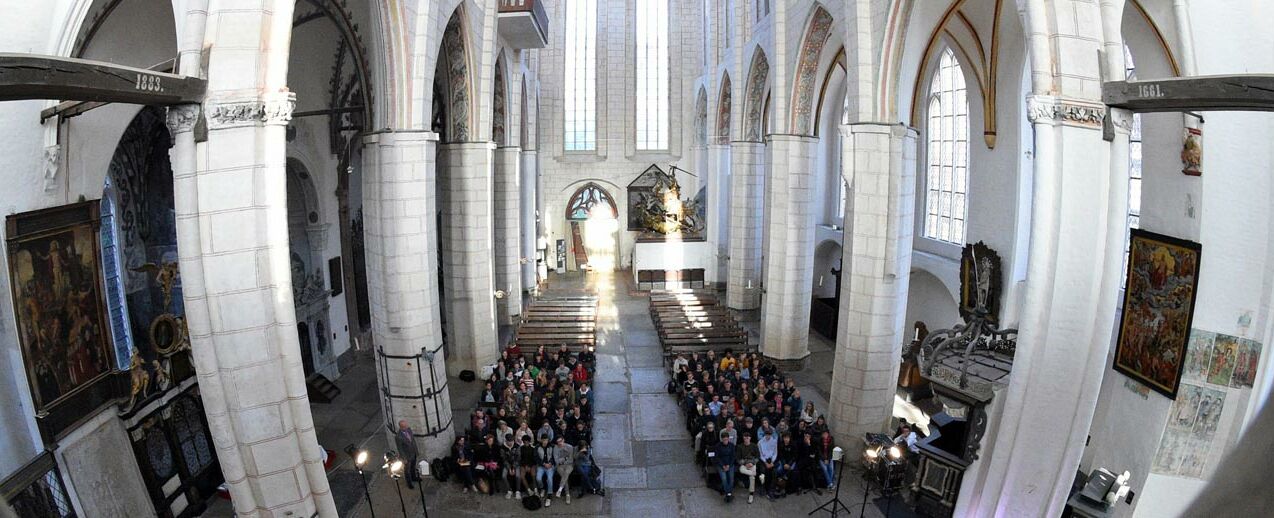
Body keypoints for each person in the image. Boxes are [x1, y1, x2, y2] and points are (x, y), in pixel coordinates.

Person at [395, 420, 422, 488]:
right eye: (405, 426)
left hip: (413, 452)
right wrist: (404, 458)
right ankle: (409, 483)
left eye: (406, 425)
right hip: (407, 456)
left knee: (413, 466)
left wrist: (416, 451)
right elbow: (400, 449)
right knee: (407, 470)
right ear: (401, 427)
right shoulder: (398, 436)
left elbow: (413, 441)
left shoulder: (409, 430)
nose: (407, 427)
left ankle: (414, 477)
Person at [736, 432, 760, 504]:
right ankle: (754, 473)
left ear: (750, 438)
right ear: (743, 438)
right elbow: (738, 459)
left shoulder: (754, 446)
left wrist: (752, 463)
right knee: (741, 469)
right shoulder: (740, 446)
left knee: (752, 477)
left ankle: (751, 494)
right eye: (745, 437)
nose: (746, 438)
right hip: (744, 464)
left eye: (748, 437)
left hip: (752, 463)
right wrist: (745, 463)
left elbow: (758, 457)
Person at [552, 436, 576, 504]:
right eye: (558, 442)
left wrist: (562, 460)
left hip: (569, 465)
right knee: (565, 475)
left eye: (560, 441)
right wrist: (565, 458)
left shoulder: (570, 447)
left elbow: (571, 460)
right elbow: (557, 461)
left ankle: (560, 489)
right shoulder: (555, 448)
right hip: (560, 466)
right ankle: (567, 494)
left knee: (566, 473)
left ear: (563, 440)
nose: (559, 443)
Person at [535, 435, 556, 507]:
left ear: (548, 440)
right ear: (541, 440)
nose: (545, 442)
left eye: (546, 440)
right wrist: (544, 464)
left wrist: (550, 463)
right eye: (543, 440)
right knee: (538, 478)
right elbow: (536, 457)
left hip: (550, 466)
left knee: (549, 479)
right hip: (541, 466)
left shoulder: (552, 446)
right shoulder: (537, 446)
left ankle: (549, 494)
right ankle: (542, 488)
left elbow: (554, 456)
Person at [715, 432, 737, 502]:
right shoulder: (718, 446)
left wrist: (729, 465)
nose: (725, 441)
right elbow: (717, 457)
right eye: (724, 440)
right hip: (721, 465)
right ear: (722, 439)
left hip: (729, 464)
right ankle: (728, 494)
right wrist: (723, 465)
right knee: (724, 479)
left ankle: (728, 493)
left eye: (727, 439)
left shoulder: (732, 445)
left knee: (731, 479)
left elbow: (733, 456)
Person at [502, 433, 524, 499]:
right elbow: (504, 459)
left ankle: (518, 491)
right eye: (509, 442)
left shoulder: (517, 446)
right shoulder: (503, 447)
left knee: (517, 476)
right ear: (506, 441)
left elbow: (518, 458)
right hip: (507, 465)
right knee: (503, 476)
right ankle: (509, 490)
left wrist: (513, 467)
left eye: (512, 441)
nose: (511, 443)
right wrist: (509, 468)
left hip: (516, 464)